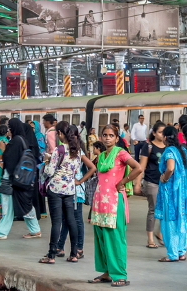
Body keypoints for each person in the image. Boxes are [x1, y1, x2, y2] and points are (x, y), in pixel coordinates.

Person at [87, 125, 143, 287]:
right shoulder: (102, 155)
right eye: (104, 135)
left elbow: (137, 168)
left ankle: (120, 275)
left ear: (117, 138)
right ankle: (106, 273)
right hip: (99, 203)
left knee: (116, 238)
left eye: (111, 135)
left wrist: (123, 182)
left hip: (115, 202)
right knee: (101, 238)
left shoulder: (121, 153)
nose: (107, 138)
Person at [39, 121, 96, 263]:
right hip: (70, 190)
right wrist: (78, 181)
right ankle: (74, 254)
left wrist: (47, 162)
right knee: (72, 221)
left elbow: (50, 171)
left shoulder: (59, 150)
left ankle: (51, 255)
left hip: (55, 189)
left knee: (57, 222)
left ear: (59, 133)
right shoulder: (77, 150)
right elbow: (80, 169)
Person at [0, 118, 42, 239]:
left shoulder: (15, 141)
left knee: (7, 206)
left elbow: (9, 159)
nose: (8, 129)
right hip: (22, 178)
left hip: (11, 178)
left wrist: (3, 149)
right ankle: (35, 229)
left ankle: (1, 233)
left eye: (9, 127)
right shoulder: (23, 140)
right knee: (26, 204)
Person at [154, 125, 187, 262]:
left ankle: (172, 254)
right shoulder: (182, 150)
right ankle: (181, 252)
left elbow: (170, 168)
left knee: (170, 220)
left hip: (170, 192)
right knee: (182, 220)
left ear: (165, 137)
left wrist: (164, 178)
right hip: (182, 193)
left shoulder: (169, 151)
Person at [134, 121, 166, 248]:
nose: (162, 135)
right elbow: (142, 166)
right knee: (153, 210)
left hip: (165, 183)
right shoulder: (148, 146)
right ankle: (150, 239)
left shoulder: (168, 146)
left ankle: (160, 234)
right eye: (160, 132)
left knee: (165, 209)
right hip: (152, 181)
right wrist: (137, 184)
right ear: (154, 133)